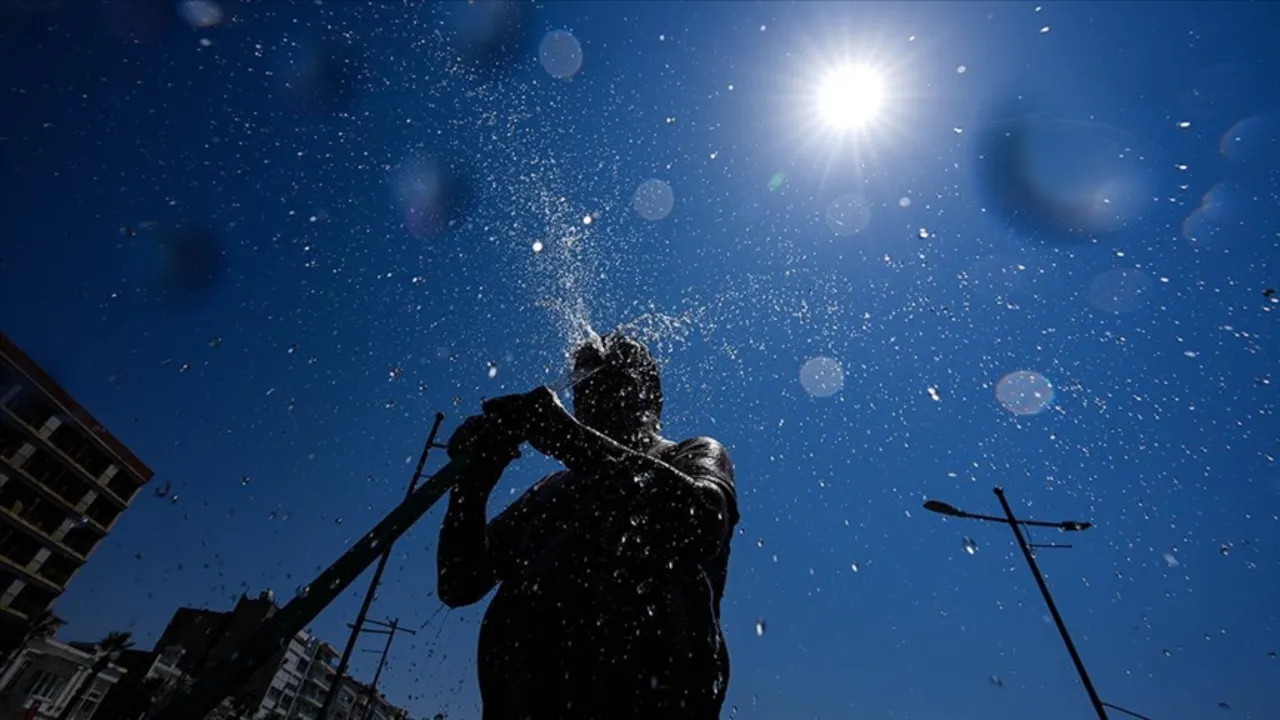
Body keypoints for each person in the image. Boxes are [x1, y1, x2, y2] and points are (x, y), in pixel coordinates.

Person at [437, 332, 739, 720]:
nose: (595, 396)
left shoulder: (691, 455)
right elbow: (459, 583)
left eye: (613, 382)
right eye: (585, 386)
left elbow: (704, 521)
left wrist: (570, 439)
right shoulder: (548, 492)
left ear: (652, 397)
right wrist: (473, 485)